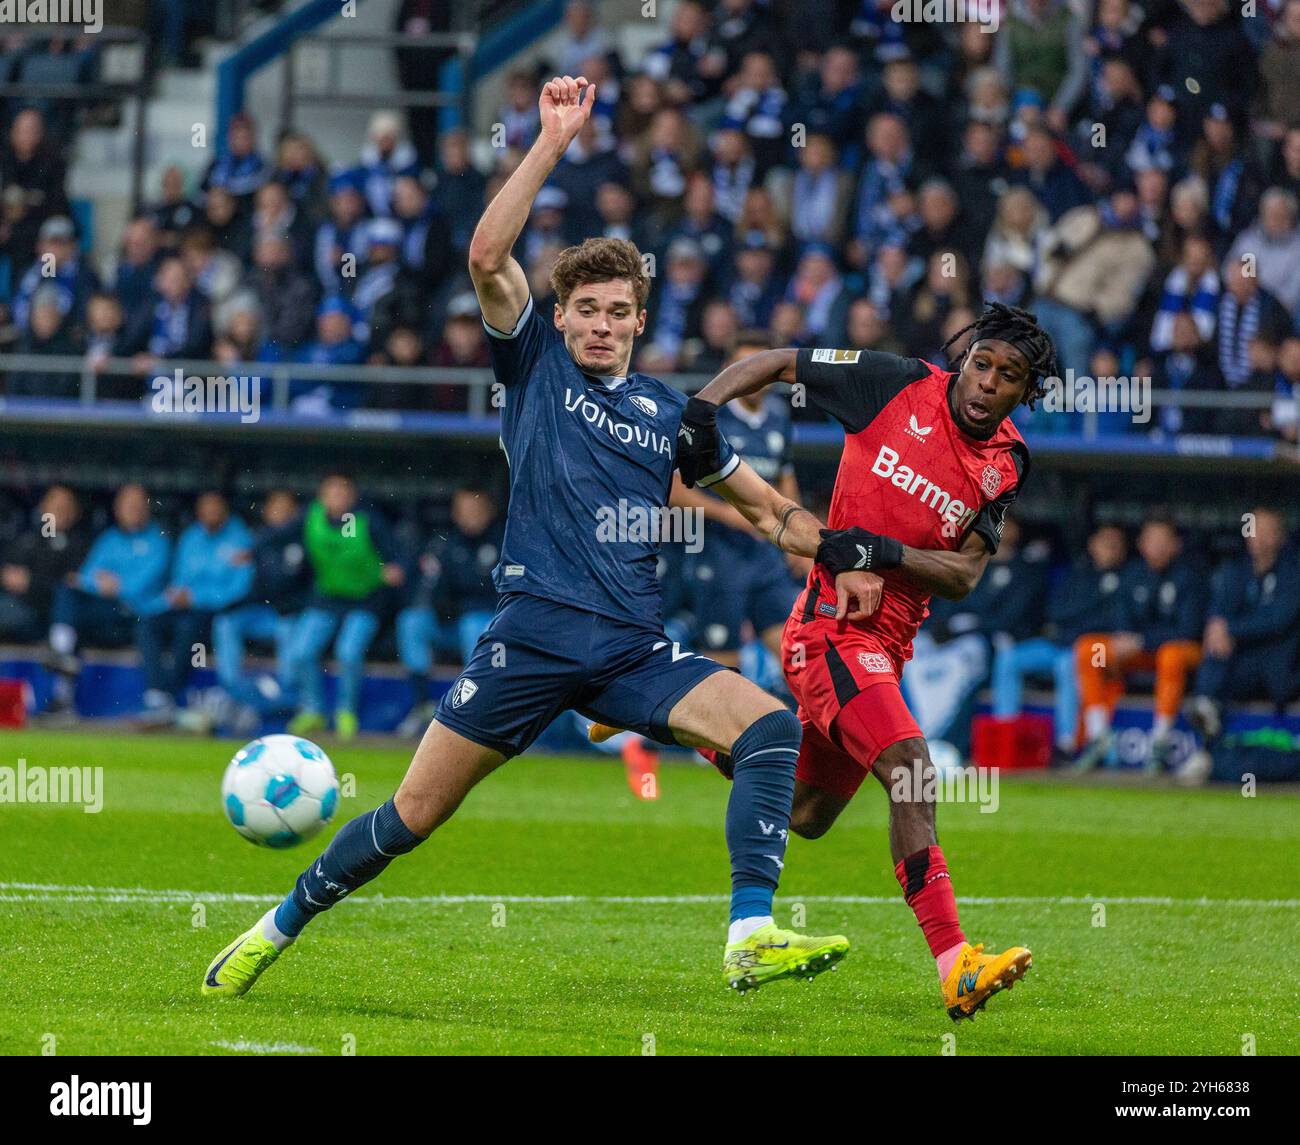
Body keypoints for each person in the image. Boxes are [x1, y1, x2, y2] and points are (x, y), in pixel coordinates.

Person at [204, 75, 864, 1002]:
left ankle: (750, 931)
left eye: (617, 311)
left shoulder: (671, 414)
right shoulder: (535, 370)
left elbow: (765, 510)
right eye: (585, 309)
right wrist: (552, 141)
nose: (600, 324)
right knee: (412, 814)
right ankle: (276, 928)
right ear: (560, 317)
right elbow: (485, 253)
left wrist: (849, 552)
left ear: (641, 320)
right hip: (533, 634)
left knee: (768, 729)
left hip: (632, 645)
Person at [627, 301, 1056, 1020]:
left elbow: (963, 575)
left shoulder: (1005, 462)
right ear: (963, 360)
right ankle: (956, 961)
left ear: (1024, 391)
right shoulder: (891, 385)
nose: (987, 383)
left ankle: (670, 705)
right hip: (828, 628)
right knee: (913, 767)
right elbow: (780, 361)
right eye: (980, 364)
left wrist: (883, 551)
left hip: (888, 644)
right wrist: (702, 406)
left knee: (808, 812)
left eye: (1007, 376)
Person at [1073, 515, 1207, 772]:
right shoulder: (1133, 574)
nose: (1156, 547)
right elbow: (1123, 621)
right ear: (1142, 544)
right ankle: (1099, 736)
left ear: (1175, 545)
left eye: (1163, 541)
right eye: (1151, 541)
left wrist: (1142, 640)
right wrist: (1123, 640)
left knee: (1171, 655)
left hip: (1182, 654)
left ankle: (1160, 740)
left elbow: (1188, 630)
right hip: (1140, 654)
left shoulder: (1189, 577)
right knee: (1091, 649)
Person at [281, 474, 405, 741]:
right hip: (327, 597)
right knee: (301, 652)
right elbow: (278, 534)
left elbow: (395, 554)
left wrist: (394, 569)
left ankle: (346, 712)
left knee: (348, 652)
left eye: (342, 491)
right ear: (321, 495)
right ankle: (314, 710)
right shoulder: (310, 516)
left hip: (365, 599)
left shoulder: (368, 520)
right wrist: (249, 550)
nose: (337, 497)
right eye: (331, 491)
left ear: (352, 496)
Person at [1180, 507, 1300, 782]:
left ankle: (1210, 751)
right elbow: (1219, 612)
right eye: (1254, 530)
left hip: (1282, 668)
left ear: (1280, 537)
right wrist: (1219, 626)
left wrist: (1230, 628)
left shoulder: (1293, 572)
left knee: (1223, 641)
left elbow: (1280, 619)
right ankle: (1208, 733)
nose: (1258, 538)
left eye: (1266, 532)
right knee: (1215, 650)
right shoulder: (1236, 570)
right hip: (1241, 664)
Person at [396, 486, 504, 738]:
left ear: (488, 511)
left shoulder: (502, 542)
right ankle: (422, 704)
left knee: (473, 625)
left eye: (476, 509)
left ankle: (474, 711)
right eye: (464, 510)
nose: (470, 515)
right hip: (449, 621)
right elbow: (434, 590)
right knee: (412, 621)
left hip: (486, 625)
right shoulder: (446, 543)